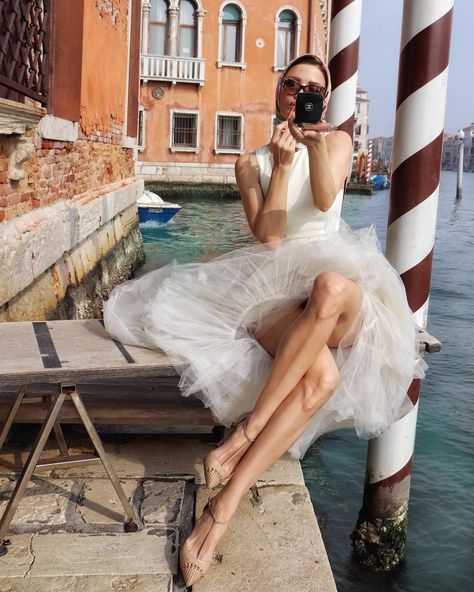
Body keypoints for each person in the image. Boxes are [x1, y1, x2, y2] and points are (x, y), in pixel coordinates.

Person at [103, 54, 424, 587]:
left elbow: (324, 198)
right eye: (292, 85)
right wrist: (279, 163)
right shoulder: (250, 161)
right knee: (322, 379)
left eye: (313, 88)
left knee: (330, 286)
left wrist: (313, 147)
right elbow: (270, 239)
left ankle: (245, 433)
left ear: (325, 97)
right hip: (273, 292)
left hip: (334, 286)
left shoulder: (340, 142)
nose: (302, 94)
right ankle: (220, 512)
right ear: (280, 93)